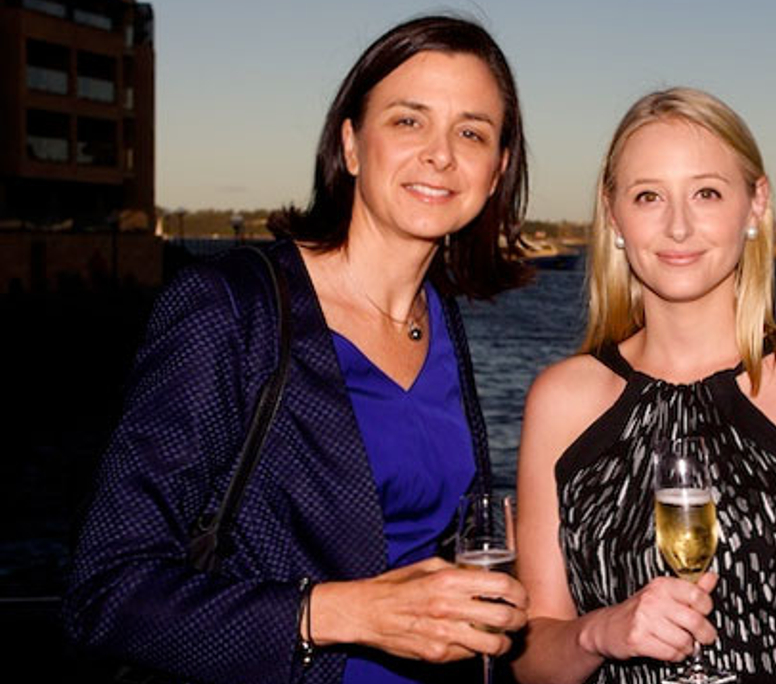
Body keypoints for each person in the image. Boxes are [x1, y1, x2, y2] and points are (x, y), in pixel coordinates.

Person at [64, 15, 531, 684]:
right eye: (408, 121)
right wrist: (342, 613)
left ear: (497, 170)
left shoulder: (441, 318)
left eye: (472, 132)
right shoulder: (231, 308)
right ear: (350, 144)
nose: (440, 154)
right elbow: (104, 591)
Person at [512, 88, 776, 684]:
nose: (678, 225)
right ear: (613, 215)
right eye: (648, 196)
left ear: (755, 206)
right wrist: (599, 632)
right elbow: (532, 658)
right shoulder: (560, 400)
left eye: (706, 193)